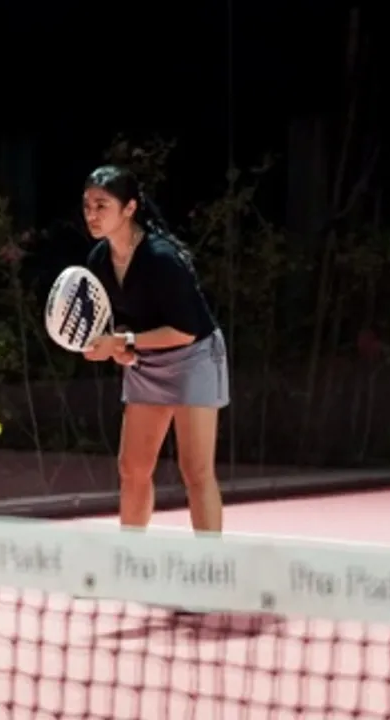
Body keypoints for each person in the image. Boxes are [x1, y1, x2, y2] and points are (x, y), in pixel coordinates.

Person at [82, 164, 229, 535]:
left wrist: (124, 343)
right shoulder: (99, 260)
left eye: (101, 205)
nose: (92, 214)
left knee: (196, 471)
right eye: (87, 206)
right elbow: (123, 319)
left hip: (194, 358)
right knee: (132, 469)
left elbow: (185, 331)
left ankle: (211, 563)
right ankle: (133, 557)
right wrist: (119, 344)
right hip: (147, 363)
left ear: (129, 208)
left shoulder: (162, 259)